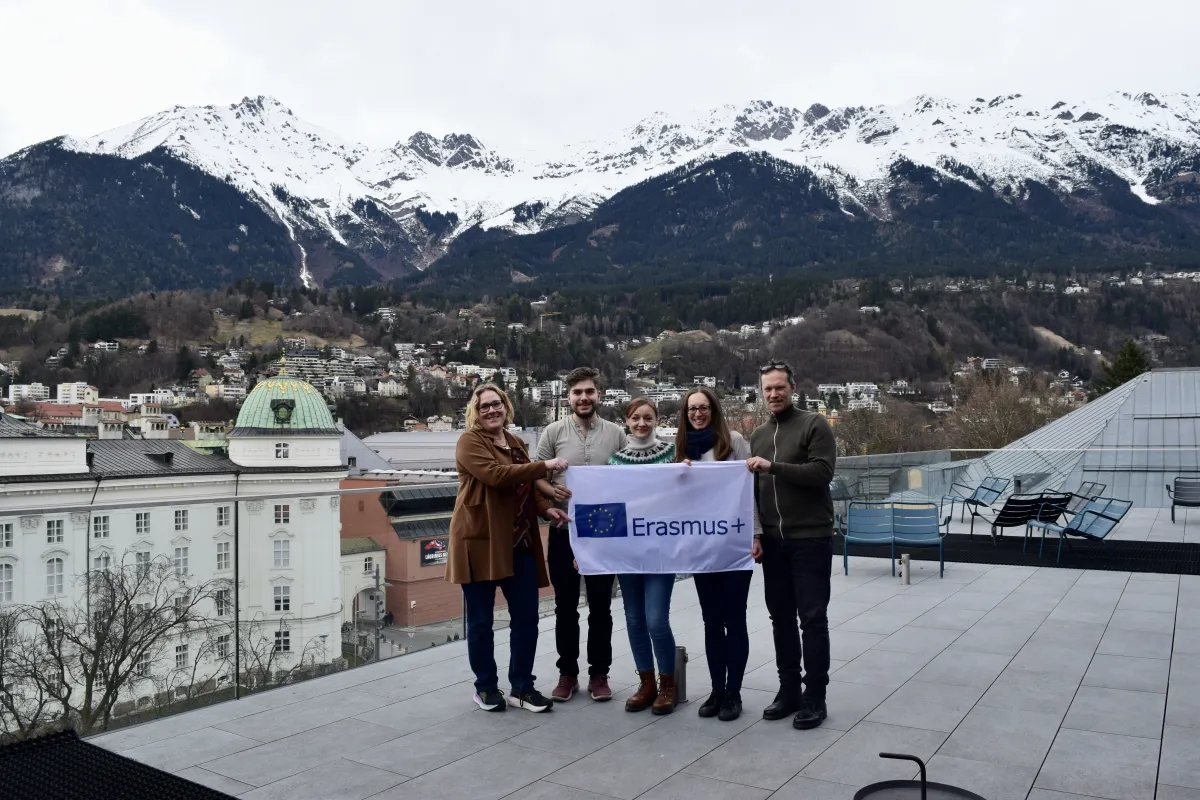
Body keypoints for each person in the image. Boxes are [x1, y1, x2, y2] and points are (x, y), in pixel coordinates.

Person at [447, 383, 571, 713]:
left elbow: (526, 488)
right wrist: (546, 466)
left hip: (519, 542)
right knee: (480, 622)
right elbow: (497, 476)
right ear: (476, 412)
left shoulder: (515, 442)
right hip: (480, 542)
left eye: (496, 404)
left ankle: (522, 687)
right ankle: (485, 686)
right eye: (484, 405)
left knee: (527, 618)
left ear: (506, 407)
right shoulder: (469, 442)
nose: (491, 410)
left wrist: (547, 509)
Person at [746, 361, 836, 730]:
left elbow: (822, 472)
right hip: (773, 540)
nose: (774, 394)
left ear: (793, 387)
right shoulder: (758, 433)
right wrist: (755, 534)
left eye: (780, 387)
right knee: (780, 618)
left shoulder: (814, 424)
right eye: (768, 389)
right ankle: (788, 691)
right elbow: (753, 490)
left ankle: (815, 695)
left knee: (812, 620)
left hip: (811, 537)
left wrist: (774, 467)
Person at [535, 366, 627, 702]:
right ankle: (567, 674)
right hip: (564, 528)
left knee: (601, 607)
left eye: (589, 392)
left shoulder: (617, 434)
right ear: (569, 397)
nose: (583, 398)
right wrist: (550, 491)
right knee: (565, 607)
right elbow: (536, 475)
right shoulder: (552, 432)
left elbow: (630, 476)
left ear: (598, 395)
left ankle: (599, 674)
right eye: (577, 393)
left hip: (605, 532)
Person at [675, 387, 753, 722]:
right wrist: (679, 473)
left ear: (714, 410)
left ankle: (734, 692)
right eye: (692, 409)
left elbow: (752, 491)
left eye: (704, 407)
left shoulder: (733, 441)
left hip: (734, 546)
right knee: (711, 621)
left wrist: (758, 533)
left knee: (733, 619)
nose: (697, 413)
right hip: (702, 548)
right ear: (685, 413)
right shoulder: (679, 449)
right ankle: (716, 688)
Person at [607, 397, 678, 714]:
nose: (641, 423)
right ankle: (646, 682)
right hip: (628, 553)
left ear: (657, 420)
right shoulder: (616, 460)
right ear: (627, 420)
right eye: (636, 418)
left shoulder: (671, 454)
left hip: (661, 551)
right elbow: (607, 507)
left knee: (656, 620)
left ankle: (668, 684)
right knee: (634, 620)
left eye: (648, 418)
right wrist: (590, 548)